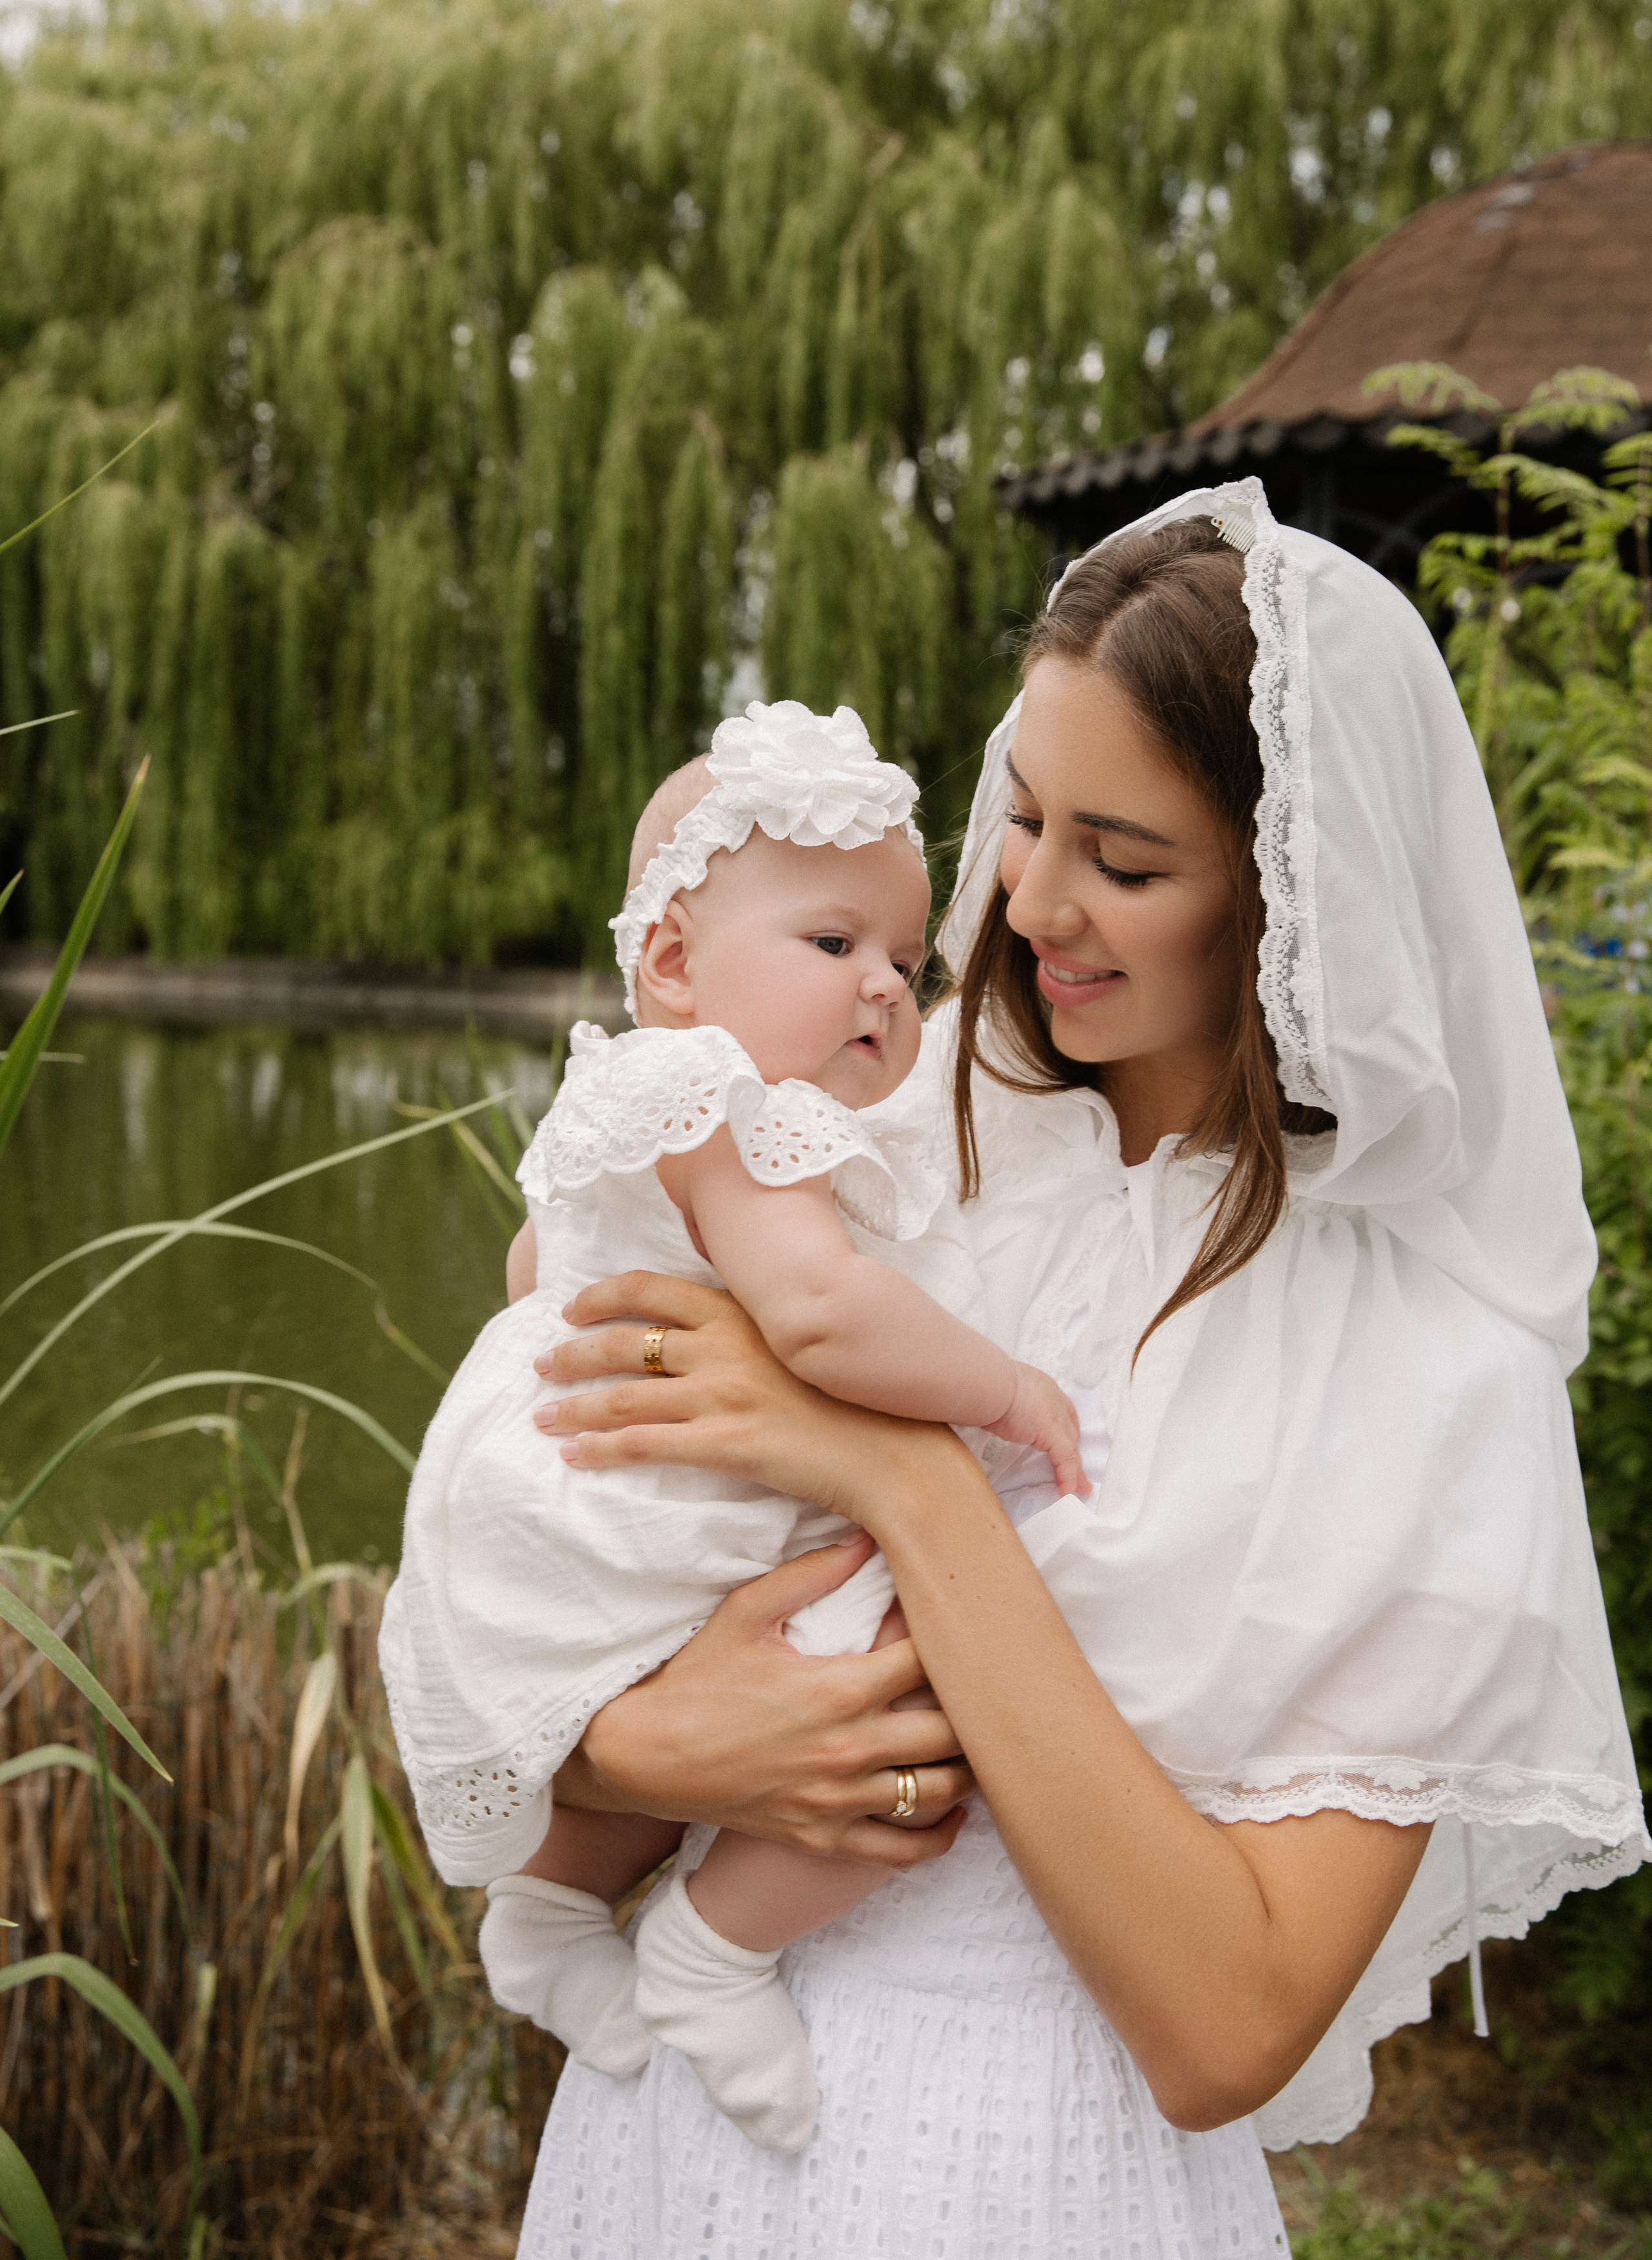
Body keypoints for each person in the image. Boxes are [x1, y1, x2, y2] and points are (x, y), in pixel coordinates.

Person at [505, 483, 1648, 2260]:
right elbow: (524, 1548)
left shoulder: (1436, 1378)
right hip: (672, 2142)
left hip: (1042, 2171)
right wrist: (640, 1740)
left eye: (1124, 857)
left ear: (1293, 896)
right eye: (1026, 814)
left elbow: (1225, 2023)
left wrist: (909, 1476)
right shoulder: (853, 1136)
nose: (1031, 898)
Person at [378, 699, 1084, 2154]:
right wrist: (1009, 1391)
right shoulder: (723, 1096)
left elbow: (533, 1275)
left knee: (686, 1670)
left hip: (561, 1481)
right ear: (676, 961)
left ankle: (550, 1906)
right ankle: (712, 1942)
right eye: (832, 945)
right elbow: (820, 1315)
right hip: (653, 1491)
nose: (883, 989)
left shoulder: (634, 1094)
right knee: (904, 1702)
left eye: (902, 957)